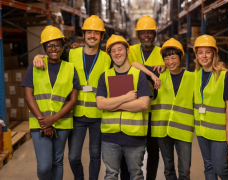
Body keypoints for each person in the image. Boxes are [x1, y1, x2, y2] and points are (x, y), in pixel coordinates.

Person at [32, 15, 111, 180]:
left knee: (95, 154)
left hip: (98, 115)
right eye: (89, 32)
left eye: (96, 33)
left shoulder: (107, 58)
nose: (92, 35)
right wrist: (38, 57)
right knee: (73, 156)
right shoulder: (71, 53)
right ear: (83, 35)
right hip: (76, 114)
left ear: (102, 36)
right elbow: (53, 57)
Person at [132, 38, 195, 180]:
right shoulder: (160, 73)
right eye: (166, 58)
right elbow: (134, 64)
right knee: (168, 168)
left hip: (183, 130)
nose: (170, 62)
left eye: (173, 58)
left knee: (184, 171)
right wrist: (152, 74)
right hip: (162, 129)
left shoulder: (192, 77)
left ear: (181, 57)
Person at [22, 25, 80, 180]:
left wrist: (53, 120)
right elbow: (28, 96)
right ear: (44, 48)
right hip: (39, 124)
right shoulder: (35, 66)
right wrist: (44, 122)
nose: (54, 49)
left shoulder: (70, 68)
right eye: (49, 46)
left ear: (62, 47)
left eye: (57, 45)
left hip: (62, 123)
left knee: (57, 162)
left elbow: (73, 99)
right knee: (44, 167)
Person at [96, 35, 156, 180]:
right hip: (110, 137)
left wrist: (113, 104)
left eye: (120, 49)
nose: (117, 53)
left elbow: (143, 104)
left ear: (127, 50)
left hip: (134, 138)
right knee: (110, 175)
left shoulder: (139, 75)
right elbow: (101, 104)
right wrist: (126, 98)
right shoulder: (105, 76)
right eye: (113, 51)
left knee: (136, 175)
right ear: (109, 54)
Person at [193, 34, 228, 180]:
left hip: (219, 132)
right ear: (197, 55)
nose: (204, 56)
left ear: (214, 54)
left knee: (221, 168)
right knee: (209, 167)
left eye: (208, 52)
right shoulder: (195, 75)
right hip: (202, 130)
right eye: (200, 52)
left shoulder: (225, 76)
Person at [125, 15, 164, 180]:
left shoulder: (162, 52)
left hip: (155, 110)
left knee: (153, 148)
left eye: (150, 32)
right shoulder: (130, 50)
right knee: (133, 147)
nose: (146, 35)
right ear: (138, 34)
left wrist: (165, 66)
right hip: (134, 108)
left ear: (155, 34)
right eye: (143, 32)